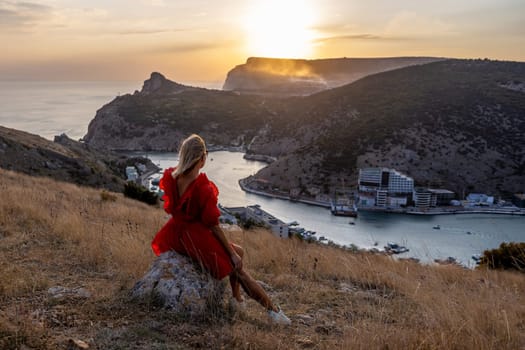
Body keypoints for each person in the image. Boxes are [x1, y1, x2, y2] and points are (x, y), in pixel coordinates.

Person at [151, 134, 291, 325]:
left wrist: (234, 252)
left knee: (239, 252)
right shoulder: (202, 187)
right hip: (194, 236)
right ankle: (274, 313)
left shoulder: (172, 177)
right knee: (237, 265)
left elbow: (172, 207)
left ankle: (237, 299)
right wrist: (231, 253)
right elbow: (213, 225)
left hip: (175, 232)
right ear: (202, 158)